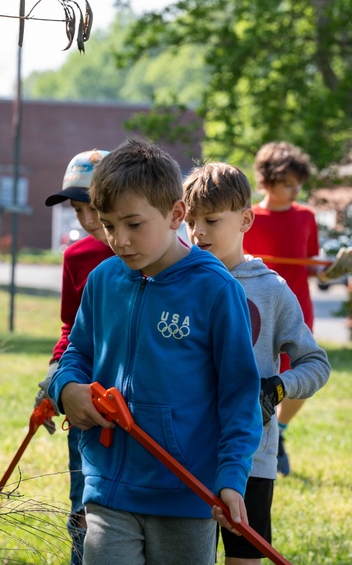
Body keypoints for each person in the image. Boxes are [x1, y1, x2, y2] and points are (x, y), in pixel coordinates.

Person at [48, 138, 262, 565]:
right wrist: (65, 387)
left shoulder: (216, 290)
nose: (119, 240)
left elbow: (239, 395)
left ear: (176, 214)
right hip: (108, 488)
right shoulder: (104, 280)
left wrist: (231, 477)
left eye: (133, 224)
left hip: (187, 494)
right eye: (109, 225)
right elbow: (77, 353)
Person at [183, 162, 331, 565]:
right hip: (184, 451)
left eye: (211, 220)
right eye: (190, 220)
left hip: (251, 456)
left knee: (244, 556)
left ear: (246, 219)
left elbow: (316, 363)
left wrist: (277, 388)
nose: (198, 232)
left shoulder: (272, 290)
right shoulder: (176, 283)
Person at [243, 141, 352, 475]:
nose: (295, 191)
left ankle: (278, 432)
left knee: (299, 371)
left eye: (299, 184)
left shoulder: (305, 216)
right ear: (266, 181)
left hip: (296, 306)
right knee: (257, 370)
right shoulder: (248, 217)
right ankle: (252, 437)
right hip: (254, 307)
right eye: (287, 184)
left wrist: (334, 270)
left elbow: (315, 265)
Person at [33, 149, 114, 564]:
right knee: (81, 495)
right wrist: (55, 376)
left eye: (94, 207)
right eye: (77, 209)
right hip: (82, 393)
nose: (86, 220)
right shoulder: (76, 256)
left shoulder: (144, 251)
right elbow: (69, 327)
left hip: (128, 397)